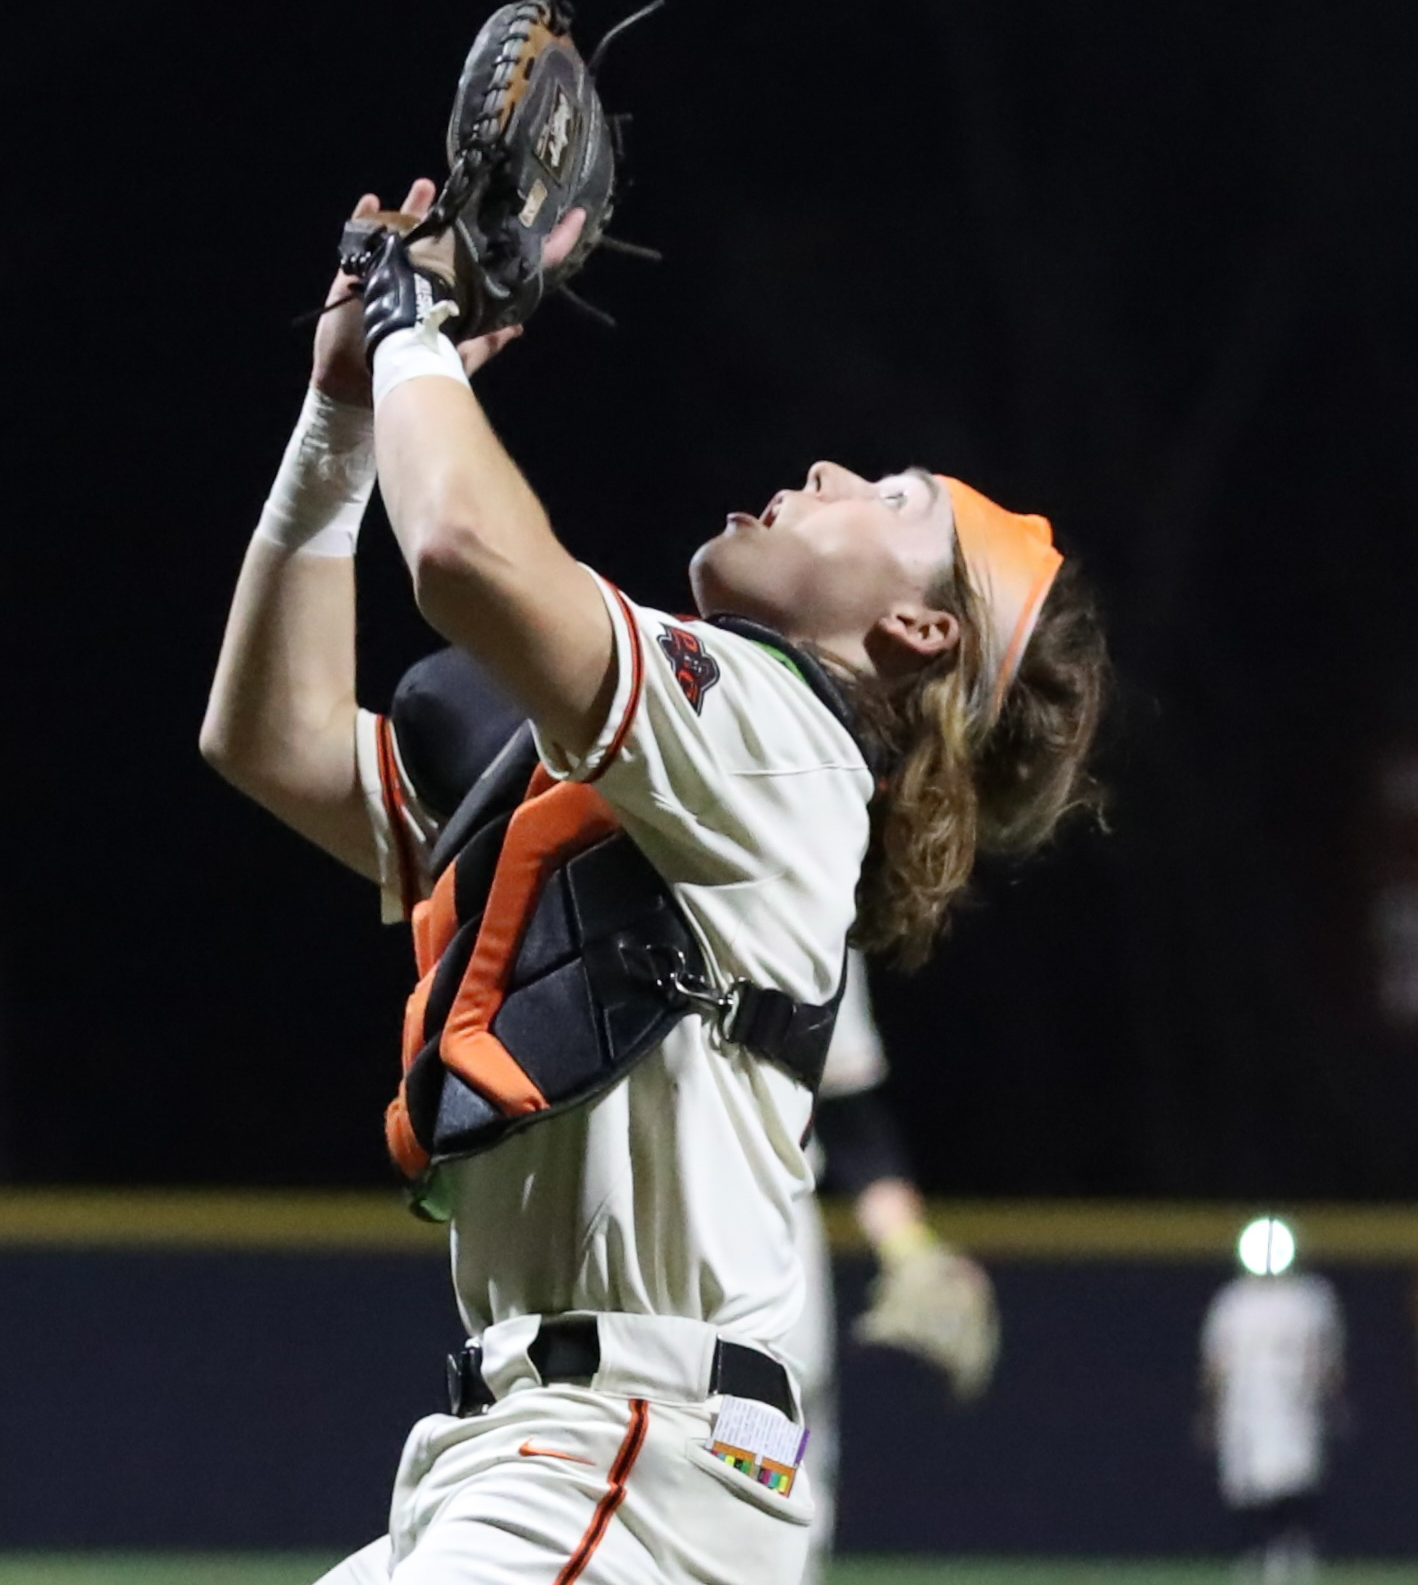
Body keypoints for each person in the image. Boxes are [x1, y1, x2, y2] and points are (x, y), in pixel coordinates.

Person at [200, 176, 1107, 1585]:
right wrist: (341, 422)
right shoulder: (682, 777)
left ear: (919, 630)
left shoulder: (787, 740)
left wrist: (411, 323)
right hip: (547, 1456)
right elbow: (273, 738)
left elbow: (464, 553)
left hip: (629, 1469)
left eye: (890, 498)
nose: (828, 473)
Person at [791, 950, 999, 1585]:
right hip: (592, 1259)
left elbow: (846, 1111)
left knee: (768, 1493)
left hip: (759, 1260)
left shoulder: (811, 909)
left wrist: (911, 1252)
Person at [1198, 1218, 1347, 1581]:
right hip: (1245, 1401)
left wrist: (1331, 1399)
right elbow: (1217, 1362)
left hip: (1294, 1398)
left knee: (1294, 1477)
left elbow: (1326, 1356)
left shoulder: (1311, 1297)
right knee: (1246, 1483)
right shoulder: (1233, 1301)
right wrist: (1212, 1410)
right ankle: (1257, 1552)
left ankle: (1292, 1550)